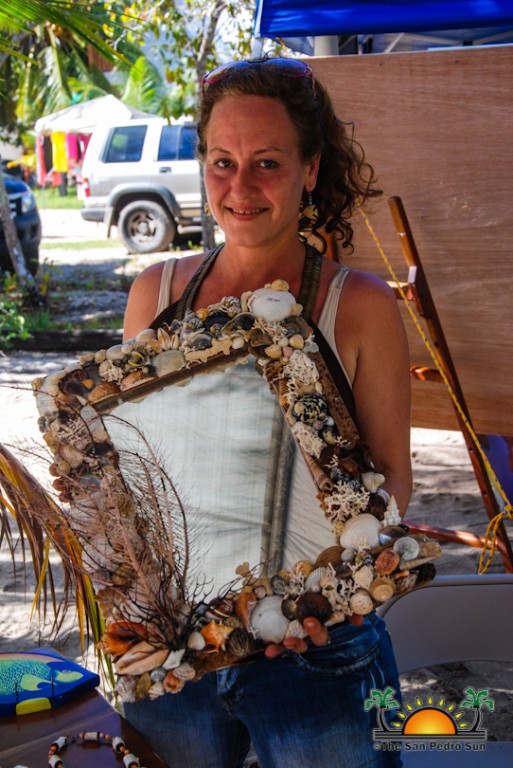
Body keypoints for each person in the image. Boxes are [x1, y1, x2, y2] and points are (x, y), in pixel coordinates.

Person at [122, 56, 411, 768]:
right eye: (222, 162)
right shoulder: (155, 293)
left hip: (318, 655)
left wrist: (325, 597)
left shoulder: (361, 305)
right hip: (180, 653)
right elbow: (131, 469)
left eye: (267, 163)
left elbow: (392, 478)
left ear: (310, 169)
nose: (240, 187)